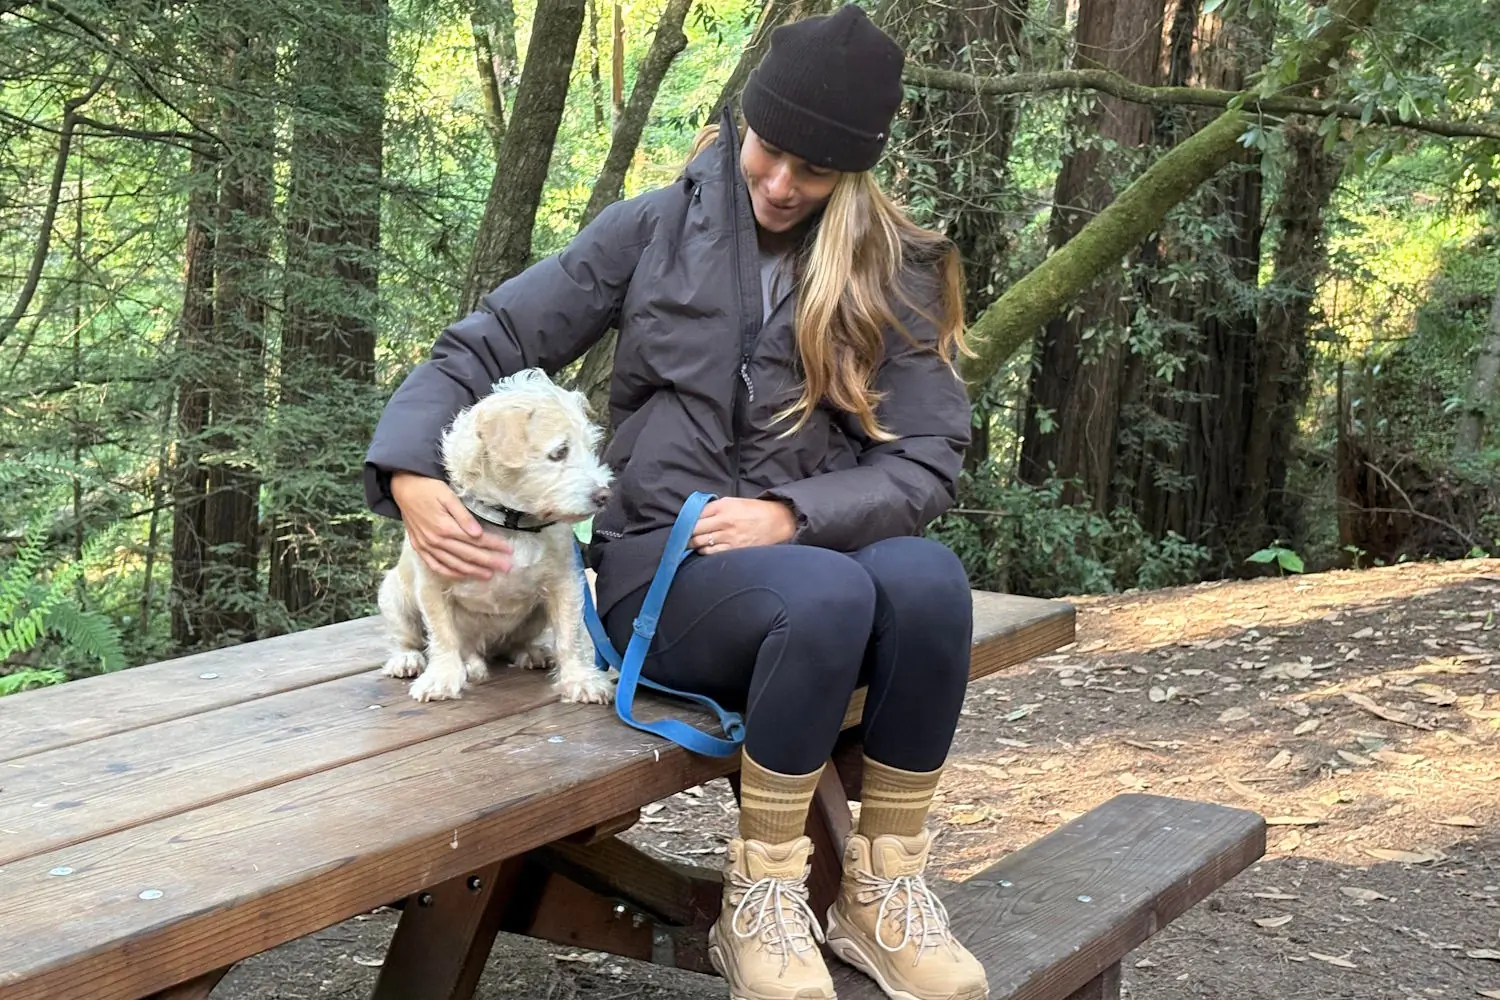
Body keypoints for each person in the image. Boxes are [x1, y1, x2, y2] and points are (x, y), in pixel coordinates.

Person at [364, 6, 987, 999]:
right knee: (824, 597)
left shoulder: (891, 268)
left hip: (812, 566)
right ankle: (764, 906)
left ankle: (881, 893)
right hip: (668, 571)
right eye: (770, 151)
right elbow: (481, 342)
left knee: (929, 578)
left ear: (855, 171)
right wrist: (409, 473)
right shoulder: (654, 228)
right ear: (745, 122)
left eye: (814, 170)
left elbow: (927, 459)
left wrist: (795, 516)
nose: (782, 186)